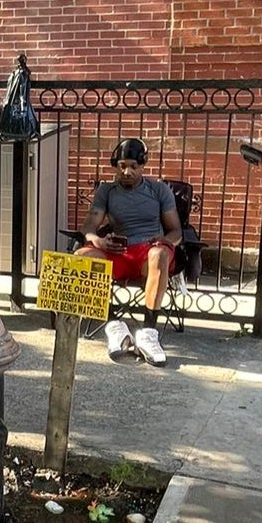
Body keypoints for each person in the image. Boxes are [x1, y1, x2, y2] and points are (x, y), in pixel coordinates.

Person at [75, 138, 181, 366]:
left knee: (159, 254)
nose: (127, 171)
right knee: (82, 258)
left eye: (133, 166)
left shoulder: (159, 190)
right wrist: (99, 241)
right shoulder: (107, 191)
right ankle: (114, 326)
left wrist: (164, 241)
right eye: (122, 166)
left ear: (143, 165)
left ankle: (149, 333)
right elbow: (89, 227)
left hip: (149, 252)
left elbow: (176, 232)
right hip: (119, 251)